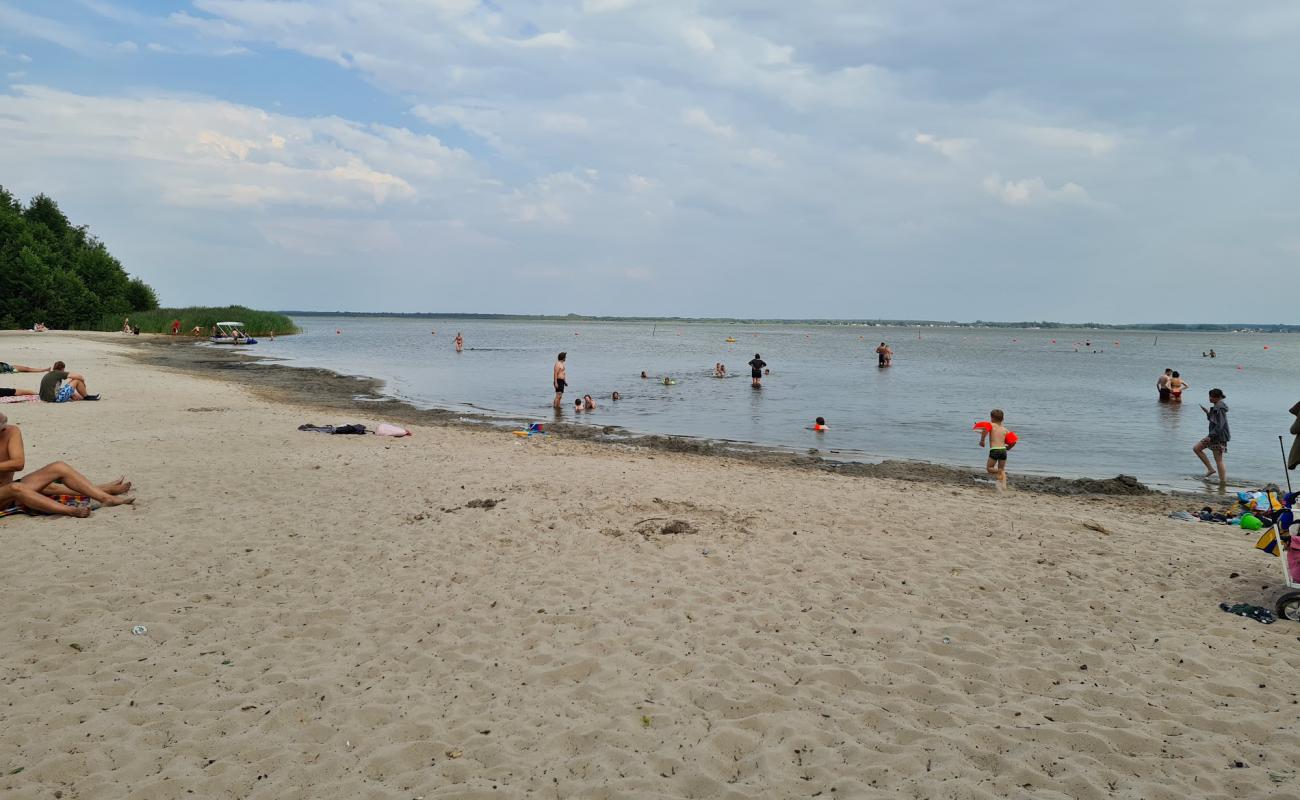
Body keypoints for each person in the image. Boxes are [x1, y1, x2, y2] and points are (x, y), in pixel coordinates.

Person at [0, 413, 134, 516]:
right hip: (7, 493)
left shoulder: (11, 431)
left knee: (58, 468)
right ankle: (70, 511)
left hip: (7, 489)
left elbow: (18, 463)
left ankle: (105, 496)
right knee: (17, 488)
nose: (4, 429)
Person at [1194, 389, 1230, 483]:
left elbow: (1220, 425)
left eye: (1211, 396)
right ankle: (1210, 469)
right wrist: (1208, 413)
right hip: (1214, 435)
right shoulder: (1216, 407)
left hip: (1218, 437)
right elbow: (1214, 421)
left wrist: (1210, 436)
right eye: (1209, 396)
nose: (1209, 398)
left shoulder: (1219, 408)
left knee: (1218, 460)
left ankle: (1223, 482)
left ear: (1217, 397)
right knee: (1197, 448)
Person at [977, 409, 1011, 491]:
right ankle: (1003, 486)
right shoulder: (1005, 430)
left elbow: (985, 430)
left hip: (995, 450)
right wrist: (1009, 447)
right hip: (1003, 450)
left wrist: (982, 440)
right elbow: (1014, 441)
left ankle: (1000, 472)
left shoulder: (991, 425)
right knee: (1002, 470)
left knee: (989, 468)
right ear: (1003, 419)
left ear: (991, 418)